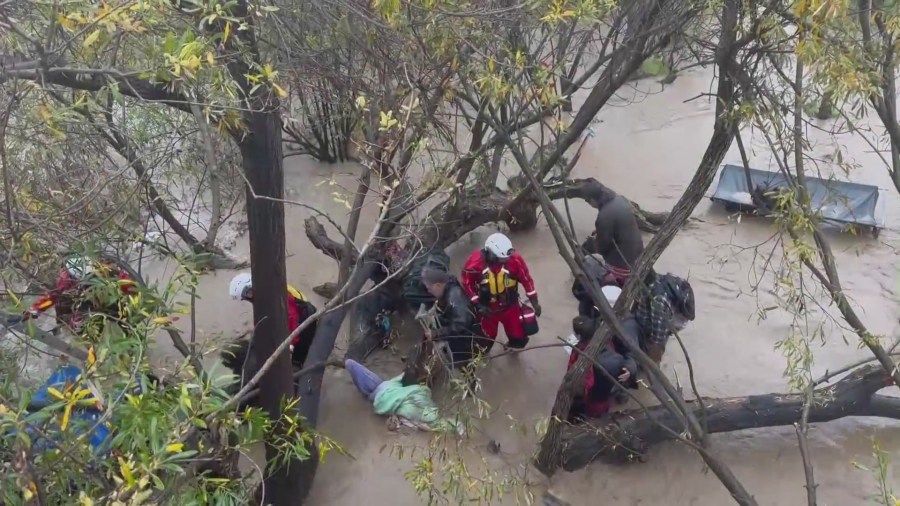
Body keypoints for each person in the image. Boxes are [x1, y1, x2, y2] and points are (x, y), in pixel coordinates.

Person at [566, 286, 640, 423]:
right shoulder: (604, 318)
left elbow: (634, 354)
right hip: (606, 360)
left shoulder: (627, 327)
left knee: (612, 390)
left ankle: (620, 396)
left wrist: (629, 368)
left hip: (616, 364)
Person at [461, 233, 540, 350]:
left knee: (519, 338)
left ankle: (511, 347)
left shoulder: (515, 260)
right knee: (485, 340)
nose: (506, 260)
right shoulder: (475, 262)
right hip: (487, 308)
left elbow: (526, 279)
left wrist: (535, 301)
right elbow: (467, 284)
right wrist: (478, 304)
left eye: (507, 257)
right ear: (491, 253)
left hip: (510, 306)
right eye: (502, 258)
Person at [344, 358, 462, 434]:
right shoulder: (421, 392)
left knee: (355, 370)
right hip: (380, 392)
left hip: (382, 390)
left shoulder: (403, 383)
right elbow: (431, 416)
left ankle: (348, 364)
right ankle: (350, 365)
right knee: (360, 376)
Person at [27, 255, 138, 332]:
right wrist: (34, 310)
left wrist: (137, 294)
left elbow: (125, 281)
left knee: (121, 312)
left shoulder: (102, 270)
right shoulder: (66, 282)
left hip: (106, 299)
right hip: (81, 307)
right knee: (79, 326)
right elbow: (52, 298)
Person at [228, 272, 318, 367]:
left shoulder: (276, 294)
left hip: (305, 320)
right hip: (296, 315)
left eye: (248, 294)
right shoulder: (264, 291)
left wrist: (290, 344)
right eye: (246, 297)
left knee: (299, 354)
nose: (249, 298)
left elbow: (293, 319)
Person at [420, 267, 487, 368]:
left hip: (466, 343)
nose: (429, 291)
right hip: (462, 337)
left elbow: (461, 326)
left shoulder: (455, 298)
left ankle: (469, 376)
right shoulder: (448, 290)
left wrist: (436, 334)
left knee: (464, 366)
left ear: (438, 285)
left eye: (429, 288)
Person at [582, 182, 646, 286]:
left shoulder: (604, 216)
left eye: (587, 201)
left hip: (623, 265)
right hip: (638, 255)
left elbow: (602, 248)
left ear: (592, 200)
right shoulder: (620, 200)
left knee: (587, 251)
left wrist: (594, 241)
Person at [633, 272, 695, 363]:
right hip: (671, 311)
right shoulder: (655, 279)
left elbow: (658, 338)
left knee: (655, 348)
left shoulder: (658, 301)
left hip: (676, 318)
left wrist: (653, 361)